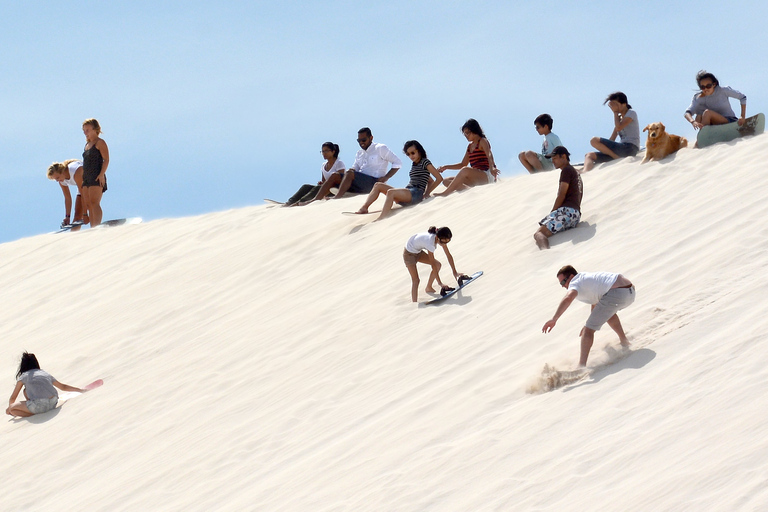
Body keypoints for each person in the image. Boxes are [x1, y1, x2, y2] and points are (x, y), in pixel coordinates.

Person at [542, 266, 635, 367]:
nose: (563, 286)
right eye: (561, 284)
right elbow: (597, 305)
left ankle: (581, 366)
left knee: (588, 330)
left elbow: (568, 298)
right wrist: (590, 323)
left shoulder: (575, 282)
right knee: (607, 312)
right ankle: (624, 341)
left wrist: (554, 319)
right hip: (630, 291)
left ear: (571, 277)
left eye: (563, 282)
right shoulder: (586, 278)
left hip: (617, 293)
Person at [355, 140, 443, 220]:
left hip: (415, 193)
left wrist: (426, 193)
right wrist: (426, 190)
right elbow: (429, 180)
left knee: (391, 192)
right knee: (378, 185)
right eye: (408, 154)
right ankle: (364, 208)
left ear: (419, 151)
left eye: (413, 153)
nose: (411, 156)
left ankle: (382, 218)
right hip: (408, 192)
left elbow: (439, 178)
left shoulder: (425, 162)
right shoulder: (415, 164)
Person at [312, 127, 401, 201]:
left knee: (350, 174)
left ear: (371, 138)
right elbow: (355, 168)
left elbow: (397, 162)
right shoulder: (359, 153)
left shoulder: (380, 148)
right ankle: (315, 200)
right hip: (360, 183)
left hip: (374, 182)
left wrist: (386, 177)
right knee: (335, 175)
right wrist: (350, 171)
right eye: (359, 140)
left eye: (364, 140)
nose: (361, 142)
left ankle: (337, 197)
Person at [6, 352, 86, 417]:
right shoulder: (44, 373)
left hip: (38, 405)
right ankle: (34, 409)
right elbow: (63, 387)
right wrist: (80, 390)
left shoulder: (24, 376)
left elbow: (13, 397)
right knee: (25, 391)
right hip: (53, 403)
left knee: (12, 409)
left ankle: (33, 414)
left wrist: (10, 409)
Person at [534, 146, 583, 250]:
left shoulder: (566, 170)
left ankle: (545, 253)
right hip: (575, 215)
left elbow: (562, 194)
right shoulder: (576, 173)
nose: (553, 161)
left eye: (555, 158)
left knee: (539, 233)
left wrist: (553, 212)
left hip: (567, 211)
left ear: (564, 156)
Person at [435, 119, 499, 196]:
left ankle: (445, 193)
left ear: (474, 131)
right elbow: (463, 164)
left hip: (487, 175)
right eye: (465, 134)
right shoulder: (469, 147)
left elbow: (489, 154)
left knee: (465, 170)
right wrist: (446, 167)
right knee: (446, 181)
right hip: (476, 178)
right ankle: (469, 190)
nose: (466, 136)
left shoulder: (482, 141)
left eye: (468, 133)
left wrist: (492, 168)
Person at [403, 226, 463, 303]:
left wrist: (455, 272)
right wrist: (440, 283)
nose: (444, 243)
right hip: (408, 254)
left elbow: (448, 255)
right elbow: (432, 264)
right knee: (416, 280)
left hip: (417, 251)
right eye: (443, 241)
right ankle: (414, 304)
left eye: (447, 241)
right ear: (437, 238)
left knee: (438, 265)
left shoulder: (440, 237)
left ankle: (428, 287)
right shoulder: (430, 243)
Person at [583, 92, 639, 172]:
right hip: (620, 150)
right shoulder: (619, 119)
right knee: (589, 155)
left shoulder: (631, 113)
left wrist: (615, 113)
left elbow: (619, 127)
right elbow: (612, 139)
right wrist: (603, 149)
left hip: (629, 148)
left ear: (624, 104)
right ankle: (585, 172)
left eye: (615, 104)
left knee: (594, 140)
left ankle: (616, 158)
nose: (614, 107)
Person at [81, 118, 110, 226]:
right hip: (86, 177)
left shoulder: (100, 142)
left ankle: (97, 226)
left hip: (96, 174)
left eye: (87, 130)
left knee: (94, 202)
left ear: (95, 129)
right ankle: (92, 227)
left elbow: (106, 159)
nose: (85, 132)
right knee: (88, 204)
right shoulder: (87, 145)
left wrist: (101, 174)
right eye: (84, 130)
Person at [47, 159, 89, 229]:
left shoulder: (75, 171)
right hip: (82, 187)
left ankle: (96, 227)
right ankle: (73, 238)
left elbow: (84, 194)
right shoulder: (62, 181)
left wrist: (85, 214)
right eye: (55, 179)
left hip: (93, 182)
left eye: (57, 178)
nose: (57, 181)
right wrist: (67, 217)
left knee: (91, 207)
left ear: (62, 171)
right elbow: (67, 198)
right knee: (77, 216)